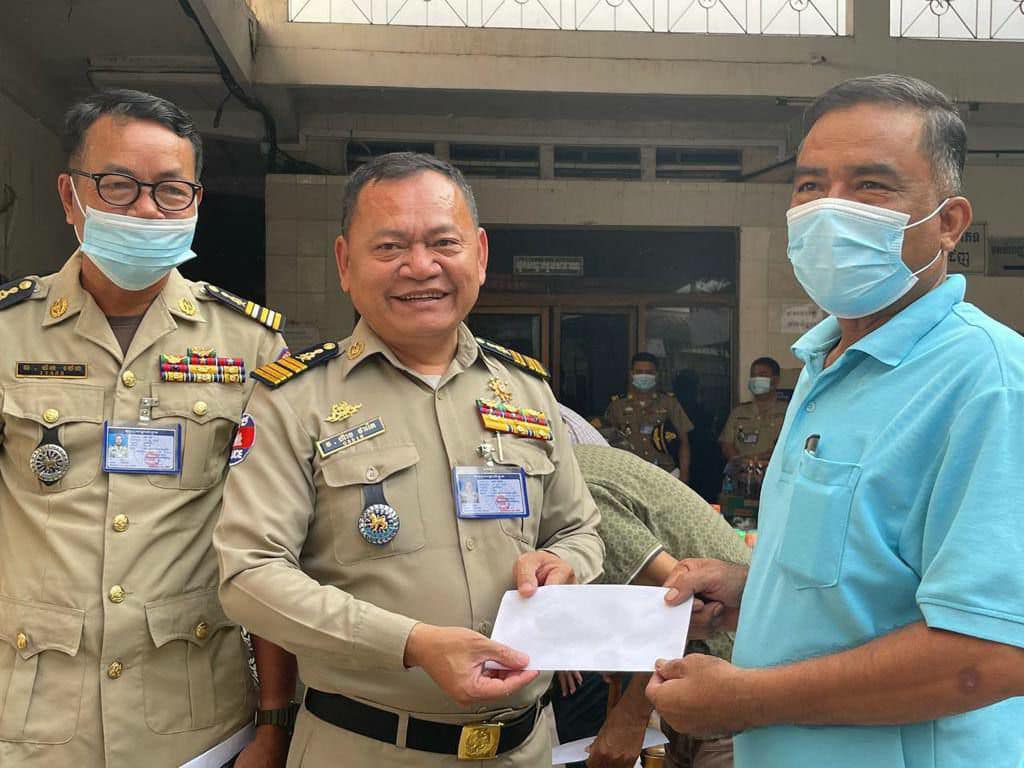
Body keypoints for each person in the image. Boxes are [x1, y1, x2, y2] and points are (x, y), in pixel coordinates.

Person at [649, 74, 1024, 768]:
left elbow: (990, 655)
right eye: (810, 185)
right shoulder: (826, 365)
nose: (830, 209)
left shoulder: (988, 382)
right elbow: (867, 580)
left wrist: (746, 700)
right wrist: (753, 592)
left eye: (871, 186)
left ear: (948, 223)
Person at [214, 152, 604, 766]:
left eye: (443, 243)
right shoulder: (295, 400)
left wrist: (565, 564)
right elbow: (249, 577)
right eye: (390, 246)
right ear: (345, 263)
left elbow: (580, 529)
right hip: (366, 747)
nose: (421, 267)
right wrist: (411, 644)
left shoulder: (526, 390)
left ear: (480, 253)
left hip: (525, 747)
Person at [0, 89, 296, 767]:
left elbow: (270, 546)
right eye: (118, 185)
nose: (144, 209)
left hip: (195, 723)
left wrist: (275, 722)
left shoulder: (250, 346)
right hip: (31, 721)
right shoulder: (8, 334)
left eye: (169, 190)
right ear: (70, 196)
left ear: (195, 203)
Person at [550, 415, 748, 768]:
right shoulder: (574, 467)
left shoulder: (581, 496)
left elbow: (680, 605)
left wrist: (630, 717)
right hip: (696, 674)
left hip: (724, 672)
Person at [603, 353, 693, 480]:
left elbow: (684, 442)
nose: (644, 376)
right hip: (628, 474)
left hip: (664, 473)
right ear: (632, 374)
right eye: (639, 372)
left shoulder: (670, 403)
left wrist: (684, 475)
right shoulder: (617, 406)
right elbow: (606, 442)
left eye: (649, 372)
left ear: (656, 375)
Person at [717, 357, 786, 465]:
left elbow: (791, 446)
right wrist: (744, 464)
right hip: (742, 472)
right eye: (753, 375)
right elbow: (726, 445)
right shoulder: (738, 413)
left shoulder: (788, 412)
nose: (756, 379)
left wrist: (761, 461)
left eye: (762, 375)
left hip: (773, 471)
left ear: (776, 380)